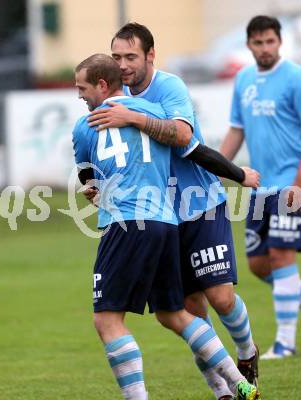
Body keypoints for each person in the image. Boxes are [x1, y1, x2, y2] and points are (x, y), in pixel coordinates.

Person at [87, 23, 261, 400]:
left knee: (220, 297)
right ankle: (224, 392)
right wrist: (100, 186)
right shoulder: (113, 100)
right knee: (190, 310)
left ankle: (247, 351)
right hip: (162, 215)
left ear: (151, 55)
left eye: (130, 57)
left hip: (199, 203)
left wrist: (133, 118)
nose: (123, 64)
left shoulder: (168, 88)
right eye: (116, 57)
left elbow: (184, 138)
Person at [219, 15, 301, 360]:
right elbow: (237, 130)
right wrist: (214, 168)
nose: (265, 48)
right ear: (249, 44)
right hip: (259, 189)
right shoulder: (243, 80)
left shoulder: (296, 77)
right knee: (258, 265)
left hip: (295, 186)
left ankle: (285, 342)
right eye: (258, 42)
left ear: (279, 42)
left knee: (282, 256)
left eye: (270, 41)